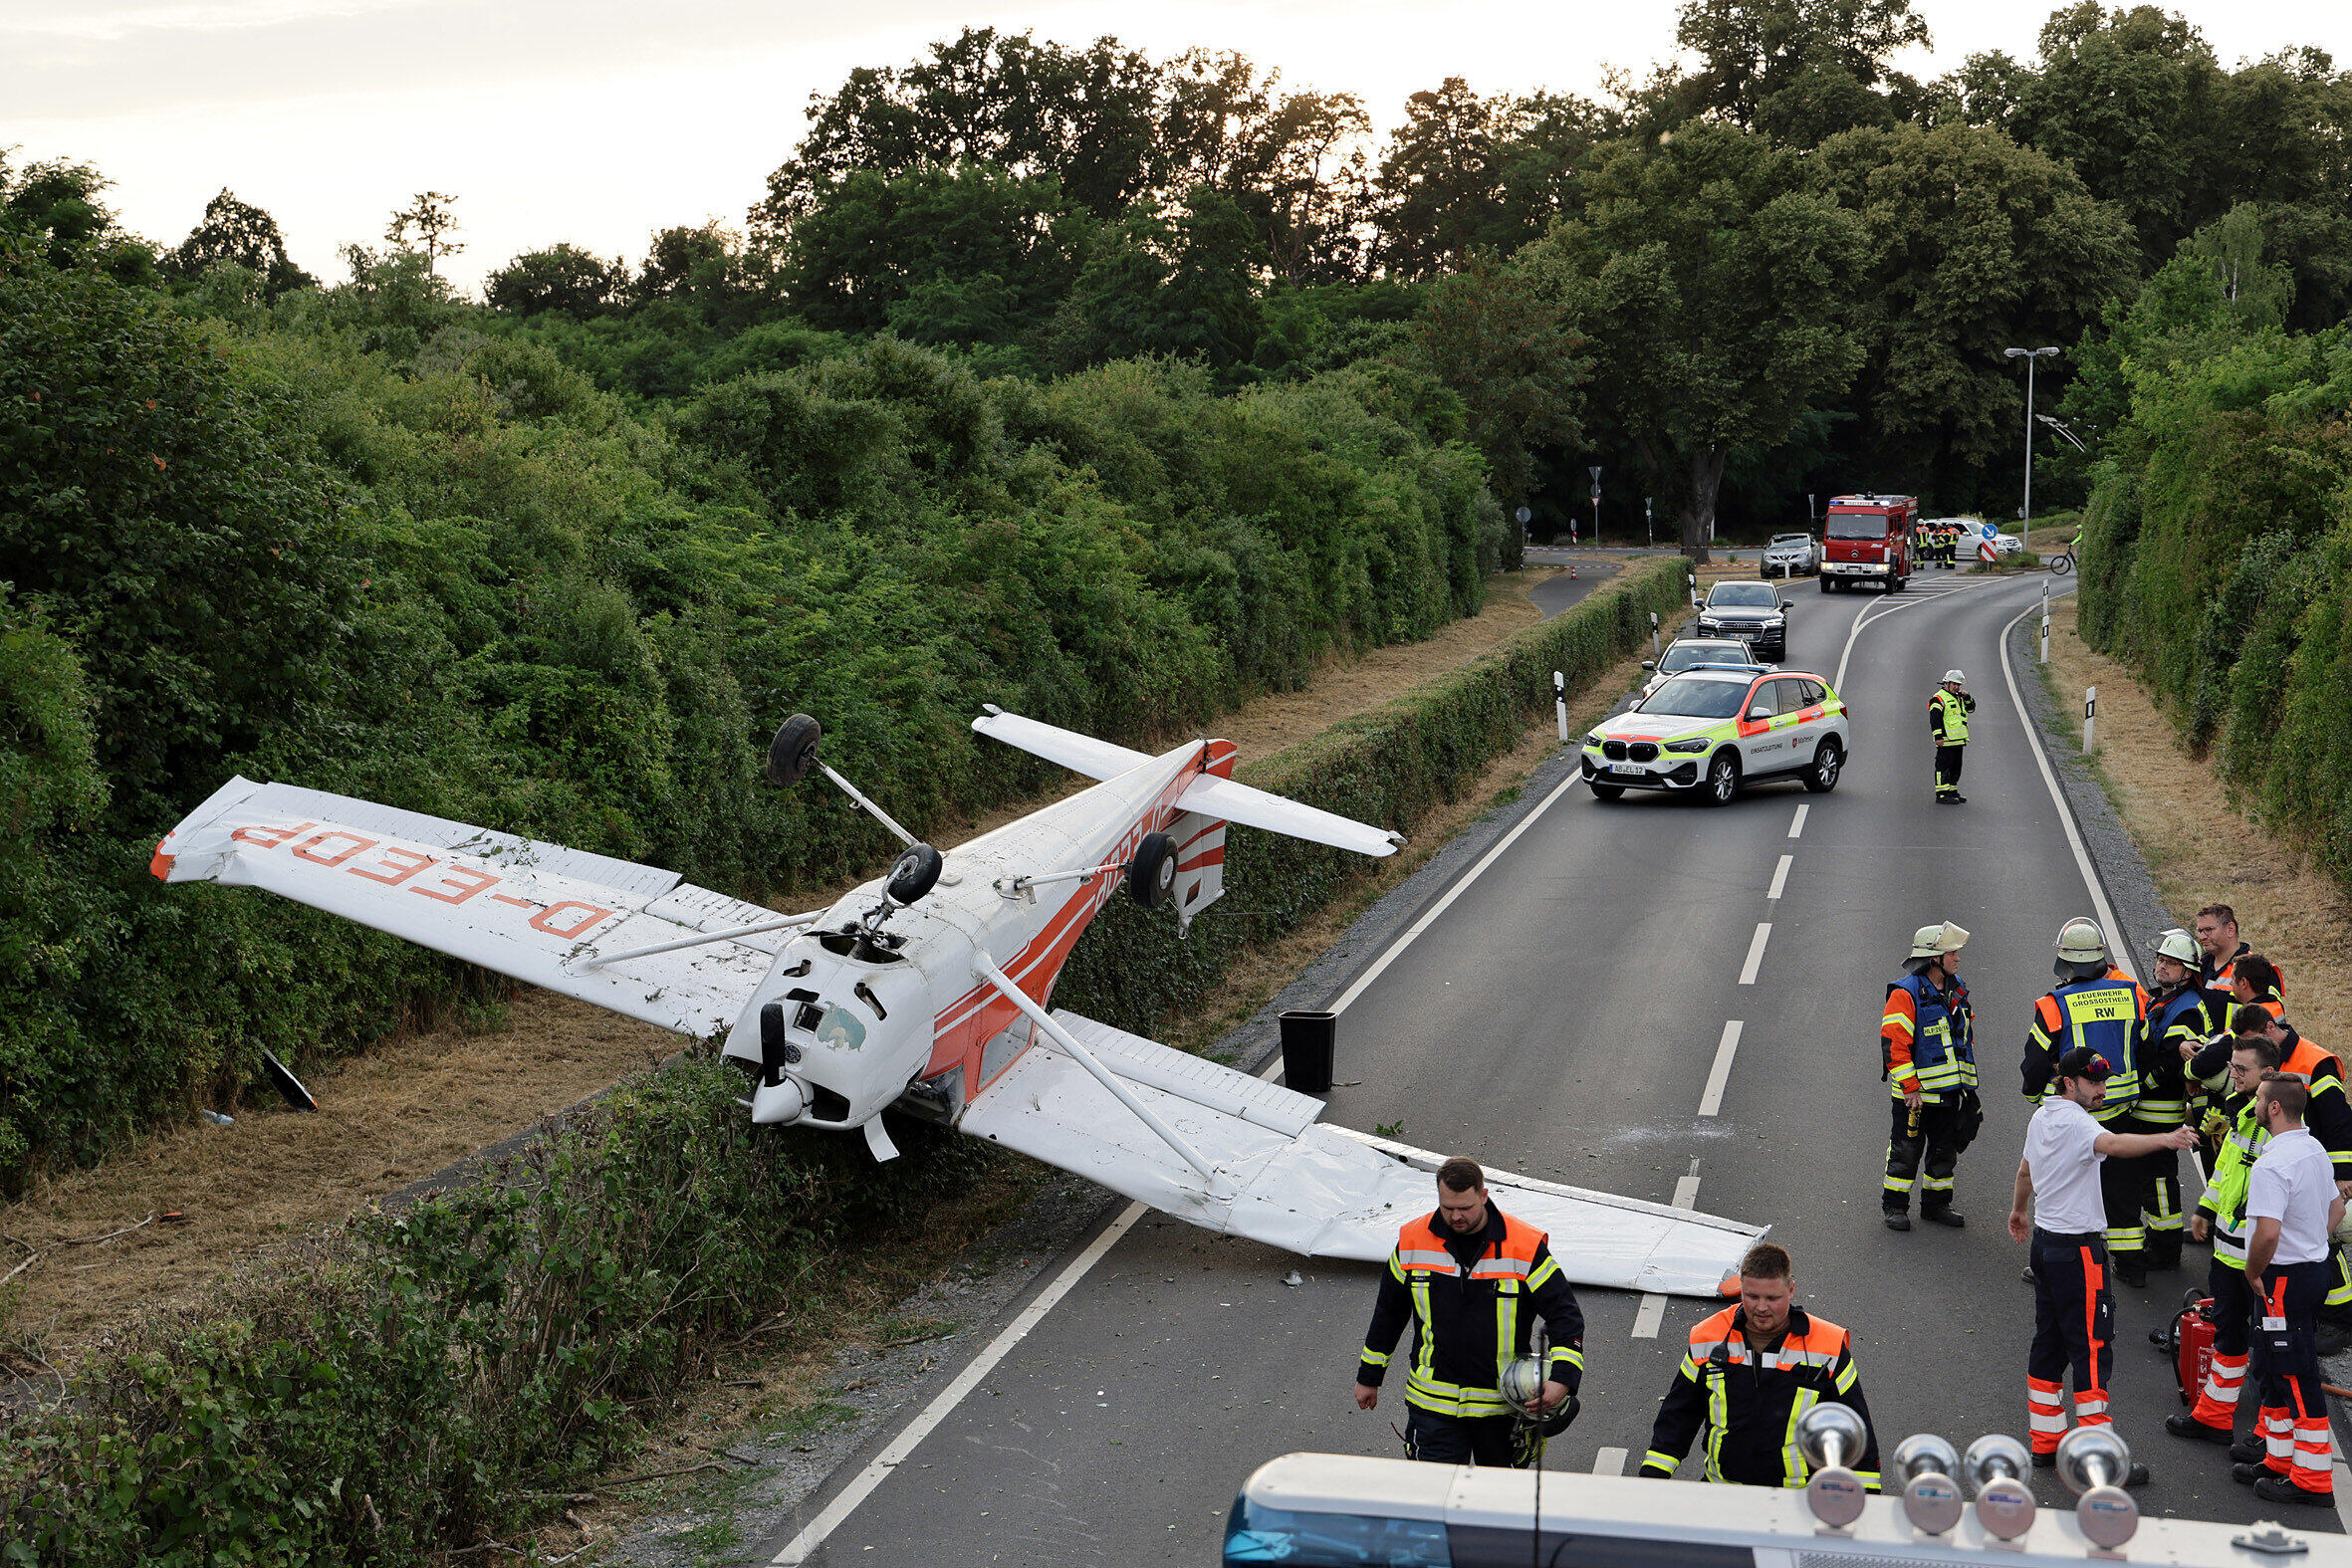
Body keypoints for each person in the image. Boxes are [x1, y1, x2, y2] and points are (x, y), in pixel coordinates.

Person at [2008, 1044, 2198, 1476]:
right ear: (2069, 1082)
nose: (2102, 1089)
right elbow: (2113, 1143)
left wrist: (2019, 1211)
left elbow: (2025, 1173)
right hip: (2079, 1253)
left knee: (2048, 1343)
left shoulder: (2042, 1115)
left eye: (2104, 1081)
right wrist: (2166, 1139)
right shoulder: (2079, 1123)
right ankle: (2100, 1461)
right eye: (2094, 1082)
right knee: (2092, 1351)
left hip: (2045, 1244)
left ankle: (2045, 1440)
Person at [1356, 1156, 1584, 1466]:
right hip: (1433, 1406)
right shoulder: (1413, 1241)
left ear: (1484, 1196)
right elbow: (1388, 1313)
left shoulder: (1524, 1247)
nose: (1456, 1216)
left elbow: (1564, 1315)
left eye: (1465, 1207)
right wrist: (1369, 1377)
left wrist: (1563, 1378)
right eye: (1447, 1207)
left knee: (1499, 1507)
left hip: (1501, 1410)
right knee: (1437, 1503)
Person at [1640, 1242, 1881, 1488]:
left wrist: (1866, 1498)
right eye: (1752, 1297)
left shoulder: (1827, 1346)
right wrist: (1652, 1480)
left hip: (1797, 1499)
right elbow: (1679, 1415)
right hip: (1722, 1492)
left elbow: (1855, 1428)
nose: (1761, 1307)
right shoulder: (1708, 1337)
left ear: (1791, 1290)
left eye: (1772, 1298)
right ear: (1741, 1289)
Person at [2020, 918, 2154, 1284]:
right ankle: (2131, 1266)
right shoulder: (2131, 993)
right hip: (2122, 1108)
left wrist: (2036, 1096)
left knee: (2067, 1191)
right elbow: (2147, 1046)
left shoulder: (2054, 1005)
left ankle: (2058, 1263)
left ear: (2065, 963)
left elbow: (2035, 1062)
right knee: (2123, 1190)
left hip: (2076, 1117)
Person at [2168, 1029, 2284, 1446]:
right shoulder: (2243, 1114)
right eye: (2232, 1066)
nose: (2232, 1074)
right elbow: (2226, 1172)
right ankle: (2215, 1418)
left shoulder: (2282, 1130)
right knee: (2229, 1338)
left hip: (2261, 1262)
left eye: (2240, 1068)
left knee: (2272, 1351)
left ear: (2268, 1073)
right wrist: (2204, 1208)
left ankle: (2269, 1439)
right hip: (2228, 1254)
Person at [2234, 1073, 2345, 1506]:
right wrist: (2314, 1243)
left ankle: (2313, 1481)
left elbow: (2266, 1234)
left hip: (2283, 1276)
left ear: (2274, 1107)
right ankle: (2280, 1460)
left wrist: (2252, 1272)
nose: (2255, 1103)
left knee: (2297, 1376)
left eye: (2260, 1098)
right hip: (2309, 1270)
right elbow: (2336, 1205)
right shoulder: (2313, 1148)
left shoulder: (2272, 1163)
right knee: (2273, 1367)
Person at [1881, 921, 1980, 1231]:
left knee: (1944, 1152)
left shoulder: (1957, 988)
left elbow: (1963, 1037)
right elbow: (1894, 1045)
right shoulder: (1905, 993)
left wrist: (1966, 1087)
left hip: (1951, 1092)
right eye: (1952, 953)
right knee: (1905, 1152)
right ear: (1934, 957)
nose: (1958, 958)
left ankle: (1936, 1205)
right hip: (1917, 1096)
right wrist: (1910, 1088)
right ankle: (1895, 1206)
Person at [2140, 930, 2221, 1270]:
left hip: (2159, 1108)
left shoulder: (2186, 1009)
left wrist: (2143, 1084)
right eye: (2160, 959)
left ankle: (2165, 1246)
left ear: (2188, 972)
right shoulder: (2164, 999)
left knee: (2158, 1179)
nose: (2162, 966)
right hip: (2150, 1108)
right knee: (2148, 1177)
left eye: (2171, 963)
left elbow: (2174, 1062)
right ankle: (2159, 1238)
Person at [1929, 671, 1976, 803]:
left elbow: (1971, 708)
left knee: (1956, 767)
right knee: (1943, 767)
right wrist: (1938, 736)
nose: (1956, 687)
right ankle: (1942, 794)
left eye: (1958, 684)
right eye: (1954, 684)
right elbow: (1935, 719)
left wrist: (1967, 697)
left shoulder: (1959, 697)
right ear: (1946, 683)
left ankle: (1952, 790)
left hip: (1958, 740)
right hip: (1946, 740)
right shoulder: (1938, 698)